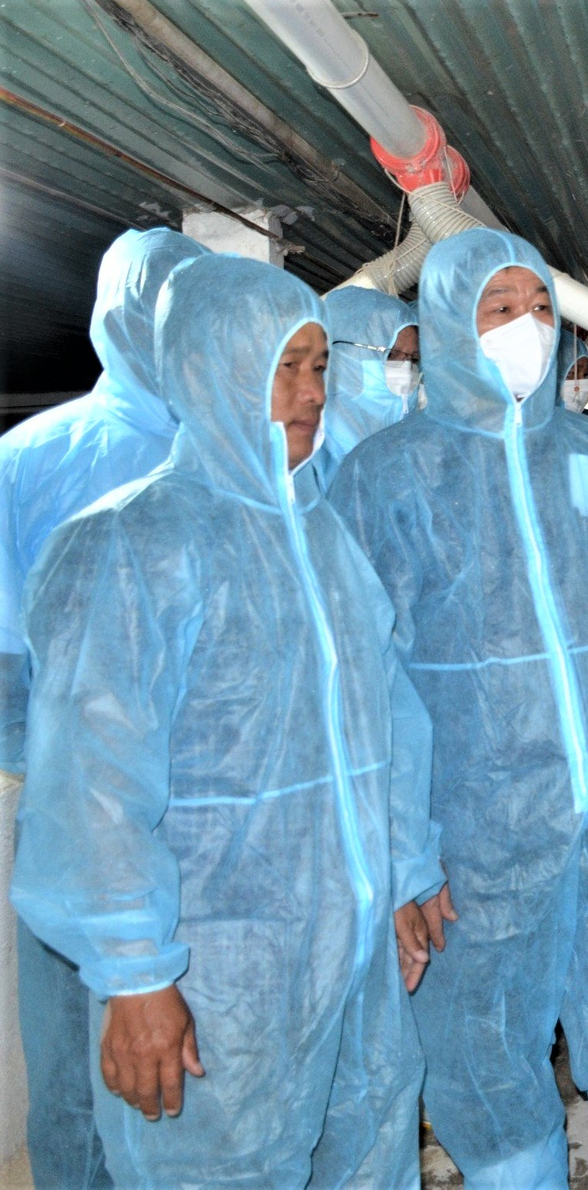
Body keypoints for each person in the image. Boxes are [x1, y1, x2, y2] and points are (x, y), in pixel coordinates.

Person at [9, 254, 441, 1188]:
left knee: (367, 1154)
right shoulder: (130, 544)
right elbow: (91, 786)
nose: (310, 393)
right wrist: (134, 973)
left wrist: (402, 874)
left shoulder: (323, 535)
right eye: (283, 366)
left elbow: (384, 732)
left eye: (320, 366)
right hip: (217, 978)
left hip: (355, 951)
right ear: (209, 368)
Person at [329, 229, 588, 1190]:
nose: (527, 328)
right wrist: (408, 856)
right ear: (451, 325)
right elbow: (368, 688)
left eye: (539, 307)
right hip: (476, 835)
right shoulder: (387, 477)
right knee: (485, 1051)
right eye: (499, 310)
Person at [0, 225, 207, 1190]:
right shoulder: (31, 460)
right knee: (84, 1081)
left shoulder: (249, 460)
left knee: (196, 1081)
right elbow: (6, 676)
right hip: (82, 822)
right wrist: (84, 799)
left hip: (222, 825)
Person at [312, 286, 419, 488]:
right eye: (391, 355)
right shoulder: (310, 441)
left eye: (413, 359)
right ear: (345, 353)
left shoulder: (406, 440)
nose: (404, 369)